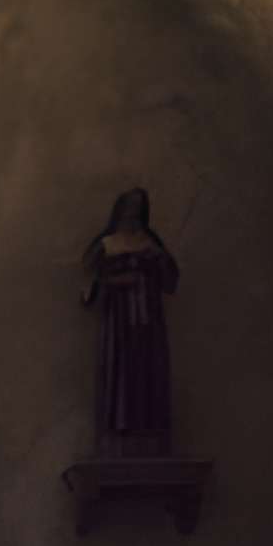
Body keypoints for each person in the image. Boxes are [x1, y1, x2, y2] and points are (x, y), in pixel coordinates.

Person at [82, 186, 180, 453]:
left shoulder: (150, 242)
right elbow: (88, 281)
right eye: (129, 208)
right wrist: (115, 281)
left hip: (148, 320)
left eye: (139, 209)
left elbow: (170, 281)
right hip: (120, 322)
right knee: (120, 370)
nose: (133, 214)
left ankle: (148, 430)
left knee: (148, 369)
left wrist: (158, 259)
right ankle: (118, 429)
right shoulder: (107, 245)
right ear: (120, 211)